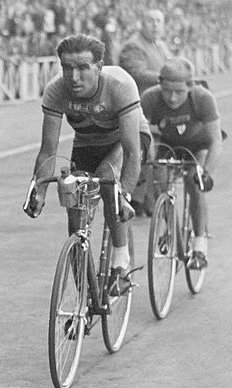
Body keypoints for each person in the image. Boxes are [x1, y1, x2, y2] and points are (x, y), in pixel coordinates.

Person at [24, 33, 151, 294]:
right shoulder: (56, 90)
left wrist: (124, 195)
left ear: (100, 67)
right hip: (89, 141)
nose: (73, 77)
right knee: (74, 206)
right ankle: (85, 294)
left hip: (127, 139)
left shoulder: (119, 85)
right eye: (67, 67)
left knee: (107, 179)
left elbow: (130, 151)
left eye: (83, 67)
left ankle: (121, 263)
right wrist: (38, 191)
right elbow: (48, 150)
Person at [140, 57, 223, 270]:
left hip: (198, 145)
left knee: (194, 184)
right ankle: (171, 229)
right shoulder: (150, 98)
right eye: (167, 90)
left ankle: (199, 244)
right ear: (159, 84)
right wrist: (146, 162)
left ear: (190, 86)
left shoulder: (202, 98)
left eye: (179, 91)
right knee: (159, 183)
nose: (172, 97)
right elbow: (142, 134)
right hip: (167, 144)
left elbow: (216, 141)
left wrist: (206, 174)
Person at [119, 9, 172, 216]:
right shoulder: (134, 45)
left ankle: (151, 201)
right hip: (138, 105)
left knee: (155, 154)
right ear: (142, 23)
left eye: (159, 21)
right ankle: (139, 201)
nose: (155, 25)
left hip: (159, 104)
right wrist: (167, 76)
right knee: (143, 153)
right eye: (151, 20)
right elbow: (136, 72)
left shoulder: (160, 45)